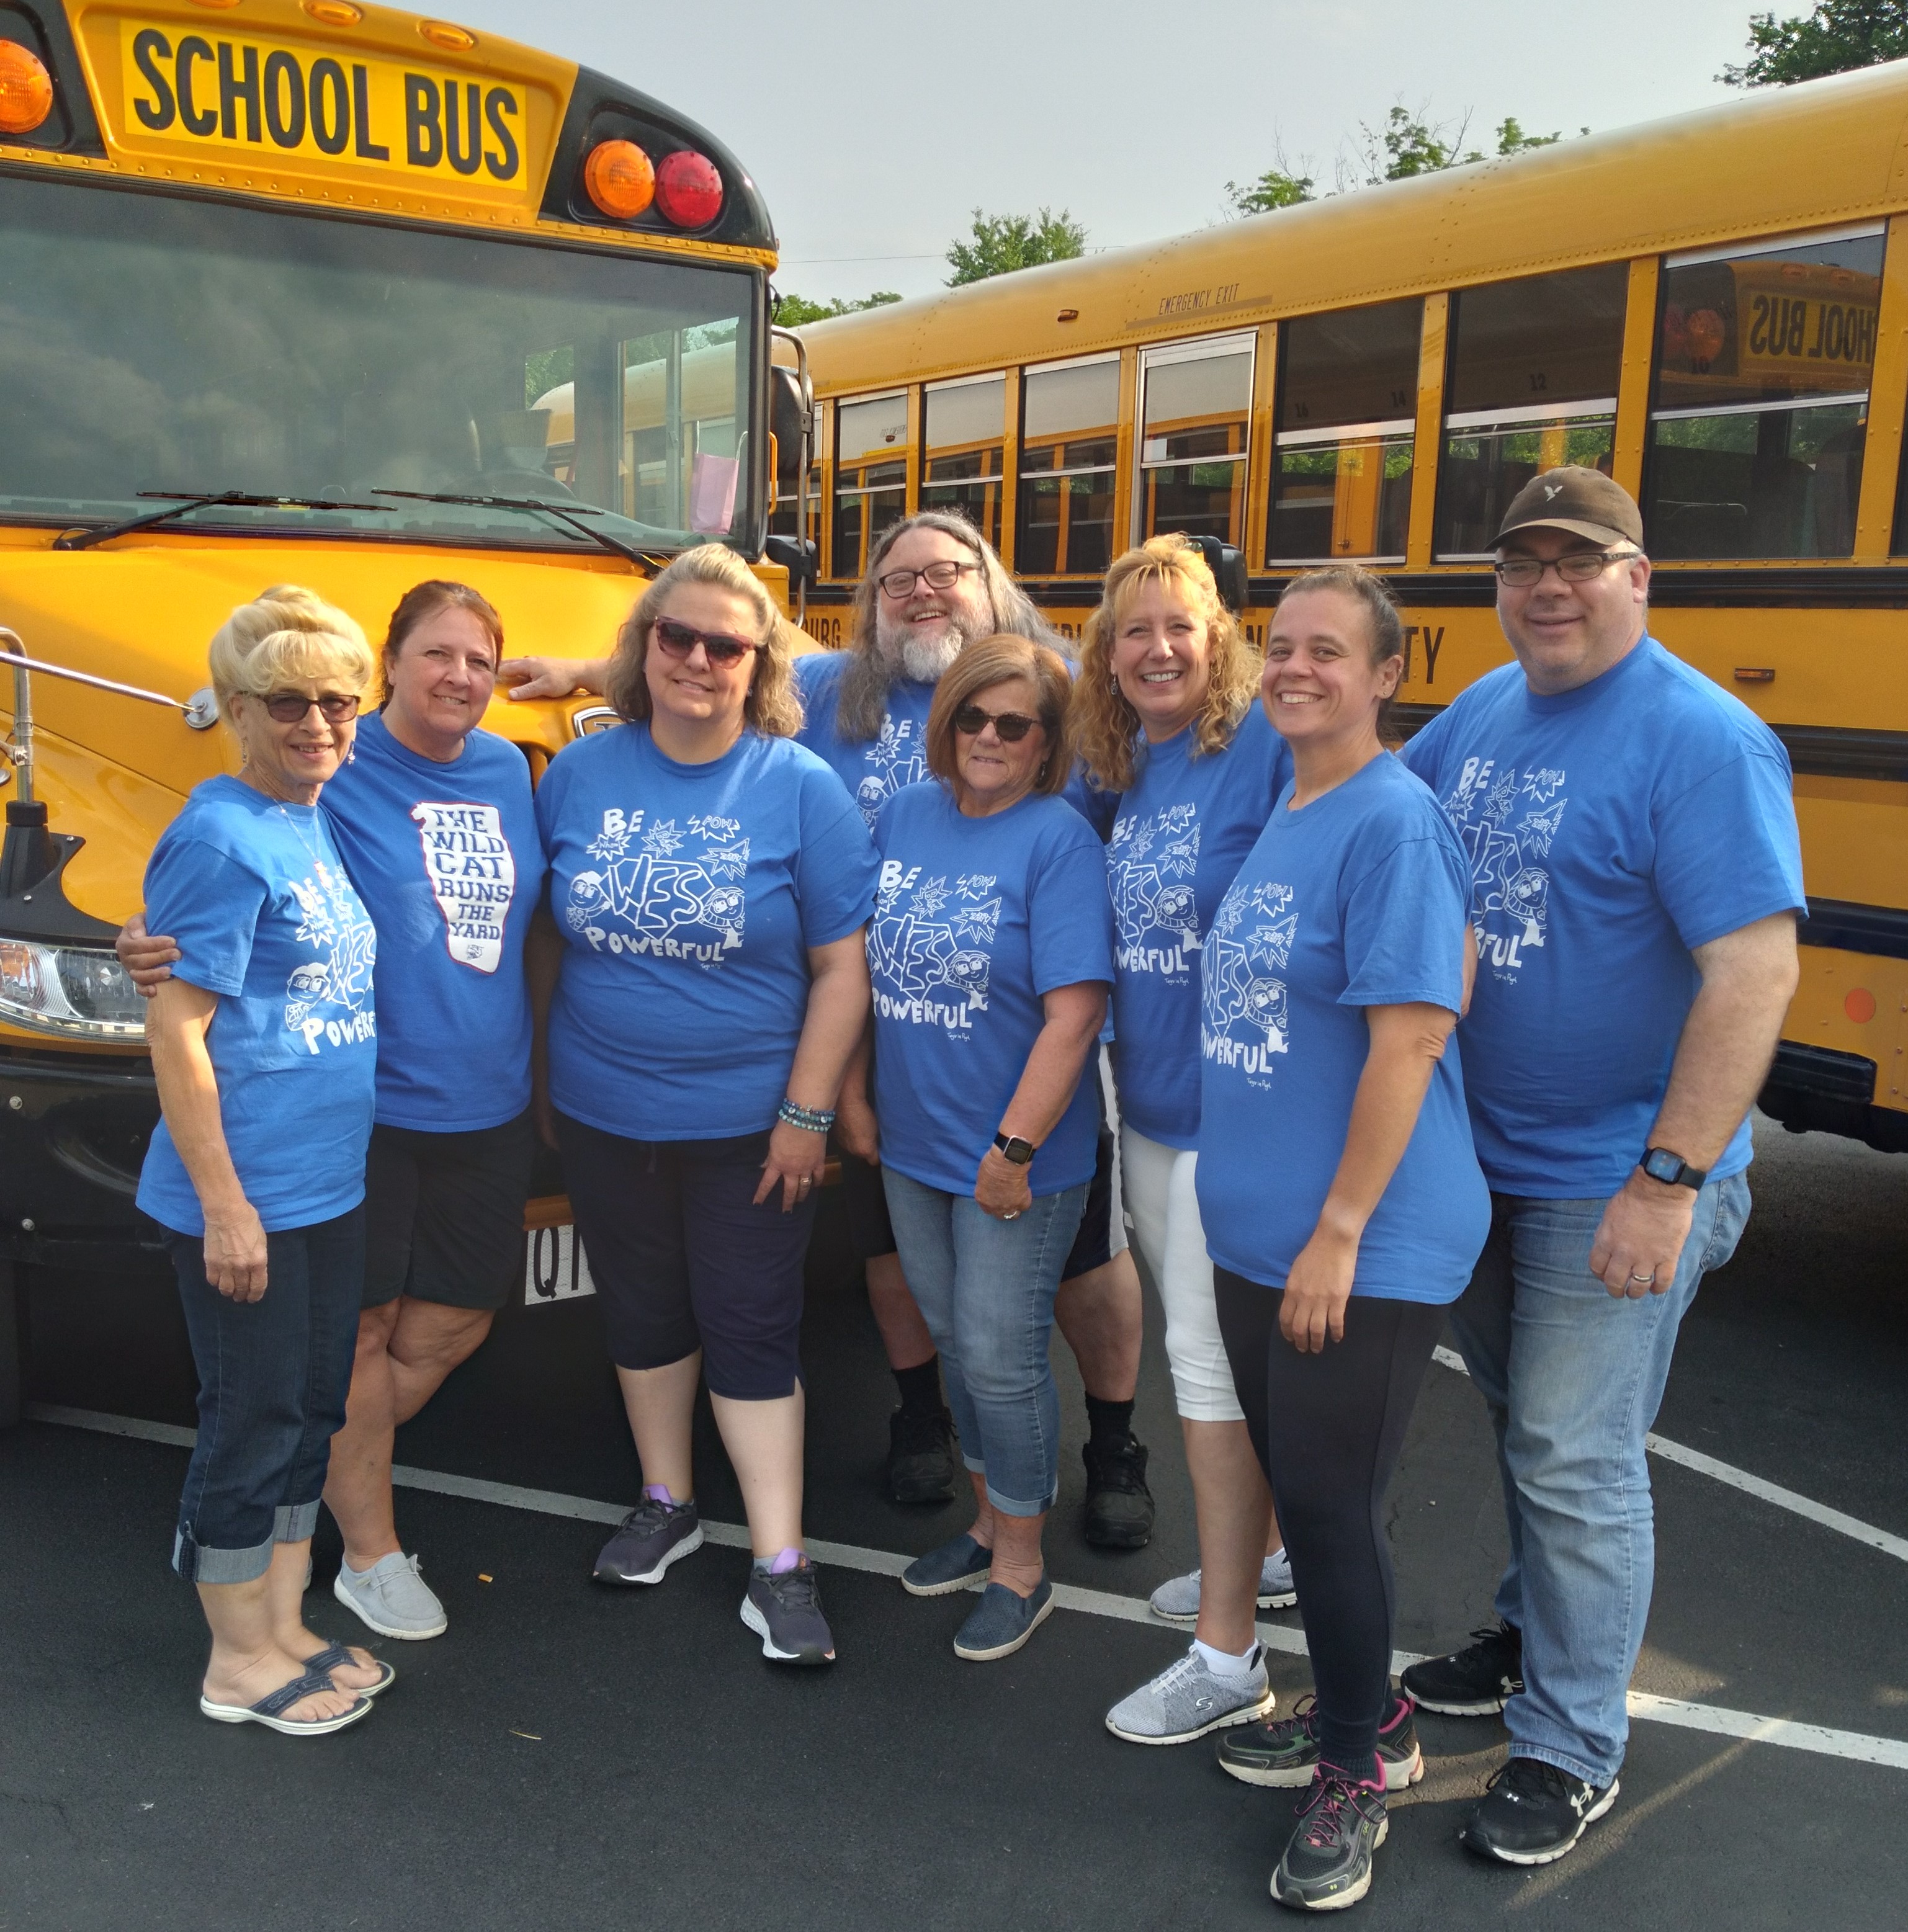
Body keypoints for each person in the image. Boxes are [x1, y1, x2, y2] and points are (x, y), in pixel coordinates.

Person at [503, 511, 1155, 1545]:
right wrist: (575, 668)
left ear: (994, 587)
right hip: (890, 1053)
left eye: (947, 572)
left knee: (1065, 1273)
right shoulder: (829, 690)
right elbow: (698, 652)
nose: (921, 593)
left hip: (1020, 1055)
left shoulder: (1052, 684)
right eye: (896, 580)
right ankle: (924, 1425)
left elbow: (1162, 747)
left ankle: (1112, 1442)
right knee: (898, 1259)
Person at [1396, 468, 1804, 1865]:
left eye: (1578, 563)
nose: (1545, 588)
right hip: (1481, 1166)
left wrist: (1669, 1179)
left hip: (1611, 1177)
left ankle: (1571, 1744)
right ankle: (1527, 1637)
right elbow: (1375, 820)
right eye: (1521, 565)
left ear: (1639, 579)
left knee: (1573, 1456)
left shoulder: (1700, 740)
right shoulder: (1487, 711)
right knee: (1527, 1435)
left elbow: (1751, 968)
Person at [120, 582, 547, 1645]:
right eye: (435, 654)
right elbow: (210, 885)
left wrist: (583, 675)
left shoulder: (506, 768)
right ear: (391, 664)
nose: (460, 676)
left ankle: (281, 1534)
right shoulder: (316, 785)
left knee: (404, 1346)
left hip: (466, 1107)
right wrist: (151, 942)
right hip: (353, 1122)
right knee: (311, 1373)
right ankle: (354, 1558)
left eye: (481, 661)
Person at [1196, 566, 1490, 1912]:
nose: (1295, 668)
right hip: (1260, 1237)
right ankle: (1360, 1719)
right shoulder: (1292, 807)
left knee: (1322, 1505)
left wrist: (1338, 1232)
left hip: (1355, 1244)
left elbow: (1410, 1035)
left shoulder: (1391, 823)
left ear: (1385, 678)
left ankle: (1358, 1777)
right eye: (1280, 648)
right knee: (1307, 1501)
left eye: (1330, 652)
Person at [531, 543, 877, 1668]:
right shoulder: (577, 776)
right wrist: (543, 1072)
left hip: (751, 1124)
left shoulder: (799, 786)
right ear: (641, 648)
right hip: (601, 1108)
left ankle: (781, 1561)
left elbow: (843, 968)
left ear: (758, 663)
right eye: (673, 636)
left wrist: (808, 1111)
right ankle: (667, 1501)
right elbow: (545, 934)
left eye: (724, 644)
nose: (695, 658)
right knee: (639, 1309)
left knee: (751, 1322)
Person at [135, 588, 387, 1735]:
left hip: (327, 1184)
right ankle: (237, 1660)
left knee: (307, 1409)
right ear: (238, 707)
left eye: (340, 700)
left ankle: (283, 1626)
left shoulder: (309, 813)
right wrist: (224, 1206)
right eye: (290, 702)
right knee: (247, 1417)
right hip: (250, 1197)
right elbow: (176, 1031)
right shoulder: (220, 830)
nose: (320, 724)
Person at [1065, 537, 1299, 1746]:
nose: (1156, 649)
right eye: (1131, 632)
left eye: (1179, 627)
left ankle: (1223, 1655)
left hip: (1242, 1117)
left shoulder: (1258, 742)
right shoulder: (1125, 764)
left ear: (1217, 641)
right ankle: (1257, 1560)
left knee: (1208, 1373)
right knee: (1216, 1364)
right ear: (1104, 656)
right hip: (1151, 1111)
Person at [850, 633, 1114, 1661]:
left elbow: (1074, 1013)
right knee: (957, 1342)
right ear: (945, 721)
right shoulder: (911, 814)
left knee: (1003, 1359)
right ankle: (984, 1522)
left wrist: (1014, 1146)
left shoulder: (1059, 840)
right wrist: (857, 1094)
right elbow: (869, 960)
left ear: (1047, 745)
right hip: (916, 1143)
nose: (991, 738)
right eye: (974, 716)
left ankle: (1022, 1563)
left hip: (1016, 1154)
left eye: (1017, 724)